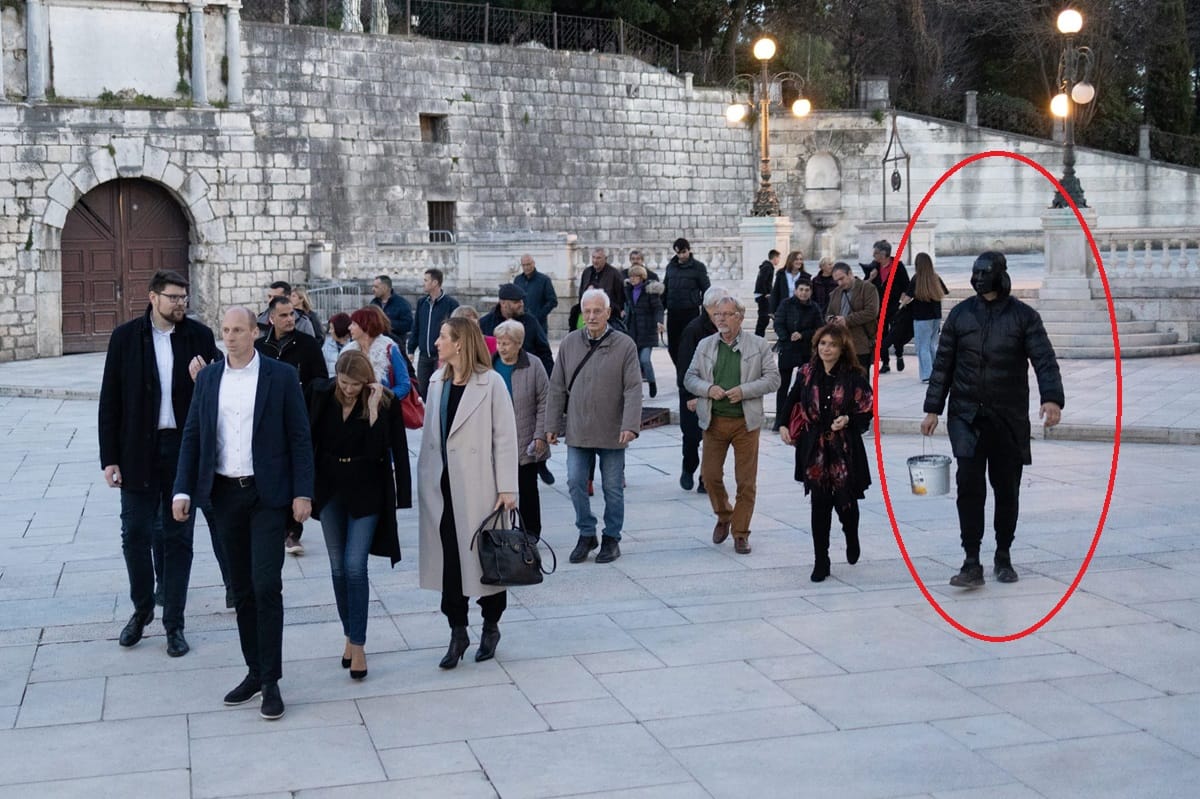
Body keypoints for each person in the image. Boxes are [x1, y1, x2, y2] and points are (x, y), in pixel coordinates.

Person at [172, 307, 315, 721]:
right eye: (225, 330)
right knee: (242, 589)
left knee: (267, 584)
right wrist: (182, 489)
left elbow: (300, 436)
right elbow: (193, 435)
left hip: (266, 496)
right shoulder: (209, 379)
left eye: (238, 330)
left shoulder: (280, 376)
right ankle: (255, 670)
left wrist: (303, 492)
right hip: (224, 496)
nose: (230, 337)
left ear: (256, 332)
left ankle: (271, 681)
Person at [921, 251, 1064, 588]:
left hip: (1007, 417)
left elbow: (1044, 359)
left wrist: (1051, 398)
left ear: (1000, 275)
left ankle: (1003, 554)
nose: (979, 279)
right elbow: (943, 366)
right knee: (969, 487)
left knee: (1006, 489)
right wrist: (932, 409)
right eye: (975, 273)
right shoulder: (960, 315)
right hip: (966, 415)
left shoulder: (1024, 316)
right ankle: (971, 560)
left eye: (985, 273)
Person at [98, 270, 220, 658]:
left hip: (183, 449)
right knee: (134, 533)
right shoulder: (125, 338)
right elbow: (110, 400)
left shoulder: (200, 337)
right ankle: (142, 609)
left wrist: (206, 381)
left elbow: (222, 394)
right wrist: (109, 458)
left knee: (178, 537)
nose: (181, 303)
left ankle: (174, 624)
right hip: (138, 451)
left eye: (184, 297)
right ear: (153, 298)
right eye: (173, 297)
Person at [417, 317, 518, 668]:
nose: (437, 343)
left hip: (480, 487)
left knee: (486, 558)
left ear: (460, 343)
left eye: (443, 336)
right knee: (450, 563)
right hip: (442, 487)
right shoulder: (436, 382)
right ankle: (457, 630)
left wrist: (507, 487)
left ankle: (491, 625)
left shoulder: (491, 383)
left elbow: (505, 437)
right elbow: (431, 437)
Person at [306, 349, 409, 681]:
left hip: (367, 490)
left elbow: (385, 452)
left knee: (354, 565)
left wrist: (374, 411)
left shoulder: (384, 401)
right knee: (338, 567)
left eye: (356, 384)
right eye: (345, 383)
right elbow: (307, 441)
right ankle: (349, 634)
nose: (349, 389)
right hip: (330, 488)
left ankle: (359, 645)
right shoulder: (321, 394)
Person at [546, 288, 642, 565]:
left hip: (613, 429)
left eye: (597, 311)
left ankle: (612, 537)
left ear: (608, 313)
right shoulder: (569, 343)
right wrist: (552, 424)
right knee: (575, 481)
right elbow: (556, 387)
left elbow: (633, 388)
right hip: (578, 427)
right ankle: (586, 533)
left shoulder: (625, 345)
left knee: (612, 487)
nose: (591, 316)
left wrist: (630, 425)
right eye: (587, 311)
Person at [683, 296, 779, 555]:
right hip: (714, 421)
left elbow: (773, 379)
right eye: (717, 314)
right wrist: (708, 388)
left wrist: (745, 390)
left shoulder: (758, 345)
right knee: (710, 476)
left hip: (745, 423)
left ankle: (741, 533)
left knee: (745, 481)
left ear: (740, 317)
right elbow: (689, 378)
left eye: (727, 314)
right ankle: (725, 514)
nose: (721, 319)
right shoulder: (705, 344)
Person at [780, 324, 873, 582]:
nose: (826, 349)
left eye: (832, 344)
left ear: (843, 348)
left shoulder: (854, 376)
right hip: (815, 447)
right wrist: (783, 424)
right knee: (819, 503)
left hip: (844, 447)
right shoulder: (806, 372)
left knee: (846, 501)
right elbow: (792, 398)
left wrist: (848, 420)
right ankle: (821, 559)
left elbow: (867, 410)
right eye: (823, 343)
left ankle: (851, 535)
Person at [493, 319, 550, 538]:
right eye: (499, 342)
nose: (501, 348)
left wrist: (540, 435)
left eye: (506, 343)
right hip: (497, 438)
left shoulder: (533, 365)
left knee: (527, 488)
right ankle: (501, 531)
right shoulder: (489, 365)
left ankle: (530, 532)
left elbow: (545, 401)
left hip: (525, 437)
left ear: (518, 344)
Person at [675, 287, 728, 493]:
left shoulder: (726, 327)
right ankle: (688, 467)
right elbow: (684, 365)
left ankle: (706, 478)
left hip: (718, 392)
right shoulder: (694, 330)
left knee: (714, 438)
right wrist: (690, 395)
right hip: (695, 392)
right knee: (692, 437)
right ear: (709, 307)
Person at [772, 275, 824, 431]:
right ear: (795, 290)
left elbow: (819, 328)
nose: (803, 293)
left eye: (807, 290)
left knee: (803, 385)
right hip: (787, 348)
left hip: (805, 350)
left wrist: (803, 335)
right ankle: (779, 420)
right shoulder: (786, 304)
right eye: (801, 290)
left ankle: (801, 418)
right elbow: (778, 323)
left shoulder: (814, 307)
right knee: (783, 386)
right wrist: (787, 337)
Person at [479, 283, 555, 376]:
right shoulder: (485, 323)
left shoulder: (530, 321)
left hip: (527, 374)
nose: (521, 304)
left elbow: (544, 352)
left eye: (521, 301)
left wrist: (550, 377)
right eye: (516, 302)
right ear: (503, 303)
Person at [255, 296, 328, 391]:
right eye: (284, 315)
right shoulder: (259, 346)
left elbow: (321, 381)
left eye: (291, 314)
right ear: (272, 318)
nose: (289, 319)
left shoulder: (309, 343)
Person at [898, 252, 949, 383]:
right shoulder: (935, 277)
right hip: (936, 316)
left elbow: (908, 297)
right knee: (932, 345)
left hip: (922, 318)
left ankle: (927, 374)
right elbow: (944, 292)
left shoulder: (917, 279)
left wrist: (901, 305)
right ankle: (937, 372)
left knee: (922, 346)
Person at [409, 268, 459, 399]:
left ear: (435, 282)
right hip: (424, 356)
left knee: (440, 389)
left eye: (426, 280)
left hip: (441, 356)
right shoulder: (422, 303)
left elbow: (456, 329)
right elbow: (416, 326)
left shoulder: (451, 304)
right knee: (422, 390)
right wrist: (411, 349)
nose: (423, 283)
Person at [662, 237, 710, 367]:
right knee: (673, 347)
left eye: (684, 252)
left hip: (690, 313)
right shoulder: (670, 267)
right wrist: (660, 312)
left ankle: (687, 373)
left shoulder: (698, 267)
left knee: (689, 346)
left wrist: (706, 313)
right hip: (673, 313)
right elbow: (665, 290)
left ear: (689, 250)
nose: (681, 255)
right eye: (678, 253)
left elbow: (706, 290)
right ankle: (681, 371)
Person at [343, 306, 412, 396]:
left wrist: (383, 398)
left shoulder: (389, 349)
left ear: (366, 326)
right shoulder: (348, 351)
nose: (349, 327)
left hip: (384, 402)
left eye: (354, 324)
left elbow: (404, 384)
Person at [865, 240, 910, 373]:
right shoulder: (874, 267)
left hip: (894, 305)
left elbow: (906, 284)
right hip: (878, 306)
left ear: (884, 253)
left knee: (896, 333)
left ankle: (899, 354)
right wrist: (871, 278)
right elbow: (864, 285)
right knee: (881, 334)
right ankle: (885, 362)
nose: (873, 255)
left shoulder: (898, 266)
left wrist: (903, 297)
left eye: (876, 253)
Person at [622, 265, 665, 398]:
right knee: (634, 363)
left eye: (635, 276)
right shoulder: (628, 290)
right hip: (633, 331)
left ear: (642, 277)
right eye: (631, 276)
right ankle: (637, 390)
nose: (632, 279)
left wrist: (659, 321)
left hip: (647, 331)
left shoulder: (650, 291)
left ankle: (652, 382)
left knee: (645, 360)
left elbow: (658, 308)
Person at [825, 262, 880, 366]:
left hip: (860, 344)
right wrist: (832, 319)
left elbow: (871, 312)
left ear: (850, 273)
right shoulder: (835, 293)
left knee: (861, 374)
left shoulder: (867, 288)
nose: (840, 283)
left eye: (842, 278)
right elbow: (829, 313)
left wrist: (846, 320)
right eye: (837, 281)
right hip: (840, 344)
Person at [512, 254, 558, 336]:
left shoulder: (544, 280)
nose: (526, 267)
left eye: (528, 264)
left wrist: (539, 315)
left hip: (539, 325)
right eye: (524, 265)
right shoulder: (517, 280)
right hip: (521, 324)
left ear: (533, 263)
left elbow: (553, 301)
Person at [578, 247, 625, 318]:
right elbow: (581, 292)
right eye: (593, 257)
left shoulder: (614, 274)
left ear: (605, 259)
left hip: (608, 315)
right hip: (589, 313)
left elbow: (620, 296)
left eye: (598, 258)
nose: (595, 260)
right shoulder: (587, 272)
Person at [371, 274, 414, 343]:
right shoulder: (373, 303)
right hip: (376, 344)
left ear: (385, 288)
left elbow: (408, 325)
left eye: (376, 287)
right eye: (373, 286)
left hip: (395, 344)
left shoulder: (402, 303)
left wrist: (386, 323)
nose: (373, 289)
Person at [769, 250, 809, 315]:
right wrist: (772, 310)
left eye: (801, 259)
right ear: (791, 260)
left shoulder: (805, 276)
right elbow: (775, 293)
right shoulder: (781, 274)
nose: (799, 261)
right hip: (784, 309)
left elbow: (808, 295)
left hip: (800, 310)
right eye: (796, 259)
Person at [753, 249, 780, 337]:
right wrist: (766, 293)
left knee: (765, 318)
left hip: (762, 295)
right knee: (764, 318)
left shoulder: (766, 266)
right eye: (778, 258)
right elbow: (762, 281)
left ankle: (758, 337)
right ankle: (758, 338)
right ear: (775, 258)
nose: (779, 260)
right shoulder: (768, 267)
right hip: (763, 296)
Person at [322, 312, 353, 376]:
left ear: (340, 328)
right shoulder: (326, 345)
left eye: (332, 328)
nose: (330, 331)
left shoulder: (354, 345)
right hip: (331, 381)